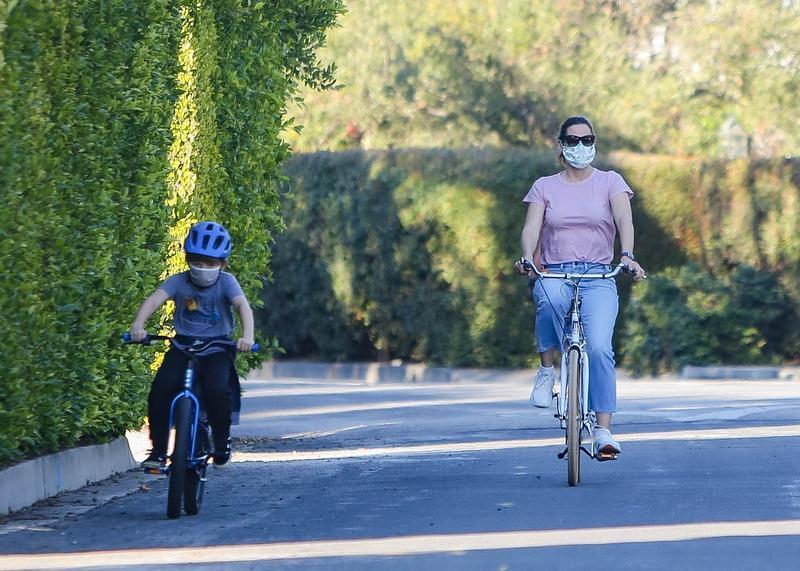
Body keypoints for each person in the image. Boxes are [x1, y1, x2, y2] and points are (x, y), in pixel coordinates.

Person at [514, 116, 645, 456]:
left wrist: (627, 255)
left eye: (587, 139)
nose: (581, 146)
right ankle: (547, 371)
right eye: (572, 141)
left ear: (594, 142)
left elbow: (624, 220)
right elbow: (531, 227)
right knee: (546, 298)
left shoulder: (611, 182)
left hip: (598, 275)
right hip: (556, 271)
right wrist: (528, 256)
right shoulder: (545, 186)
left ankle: (603, 430)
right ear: (561, 145)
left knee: (600, 347)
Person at [129, 221, 255, 470]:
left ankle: (221, 442)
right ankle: (158, 451)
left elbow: (242, 306)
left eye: (211, 263)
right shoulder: (179, 282)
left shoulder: (227, 282)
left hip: (216, 348)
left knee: (217, 390)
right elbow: (155, 299)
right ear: (187, 259)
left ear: (223, 263)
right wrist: (138, 326)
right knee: (160, 390)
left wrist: (247, 337)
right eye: (197, 261)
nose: (203, 268)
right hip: (182, 346)